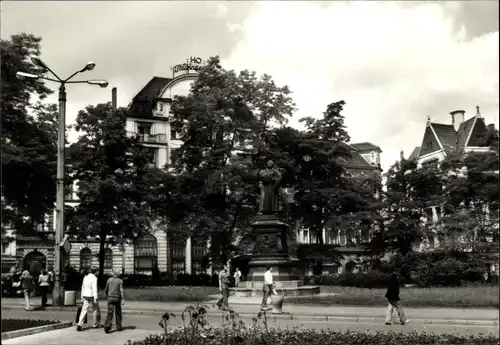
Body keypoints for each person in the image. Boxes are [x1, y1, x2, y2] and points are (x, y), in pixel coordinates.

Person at [77, 266, 101, 331]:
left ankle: (79, 324)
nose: (98, 272)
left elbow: (83, 287)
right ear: (95, 272)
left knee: (84, 310)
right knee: (95, 309)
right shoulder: (94, 278)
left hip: (85, 295)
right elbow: (94, 288)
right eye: (98, 271)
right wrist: (96, 298)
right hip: (92, 295)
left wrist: (82, 296)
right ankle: (95, 324)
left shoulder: (85, 277)